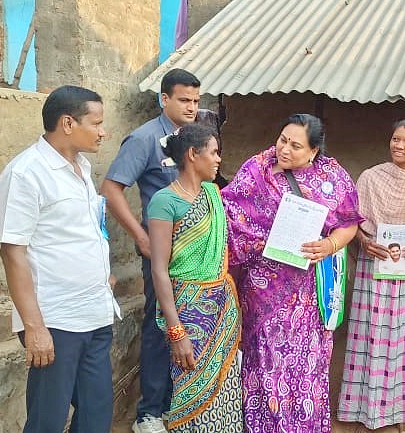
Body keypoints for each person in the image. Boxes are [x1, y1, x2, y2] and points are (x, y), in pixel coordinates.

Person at [221, 114, 362, 432]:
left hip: (309, 294)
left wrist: (328, 245)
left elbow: (349, 222)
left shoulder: (331, 177)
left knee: (305, 365)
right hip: (262, 290)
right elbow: (230, 215)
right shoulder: (256, 170)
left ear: (314, 151)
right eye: (282, 139)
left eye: (296, 145)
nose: (284, 149)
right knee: (265, 359)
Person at [0, 86, 114, 433]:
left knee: (97, 414)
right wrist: (34, 327)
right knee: (47, 419)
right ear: (67, 123)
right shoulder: (26, 173)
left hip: (95, 313)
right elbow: (12, 250)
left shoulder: (81, 166)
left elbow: (86, 230)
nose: (102, 131)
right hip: (56, 320)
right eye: (96, 123)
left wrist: (102, 273)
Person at [100, 68, 201, 433]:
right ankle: (149, 412)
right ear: (164, 99)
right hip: (162, 252)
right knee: (161, 327)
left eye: (196, 100)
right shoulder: (144, 139)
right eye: (184, 100)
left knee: (189, 325)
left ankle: (181, 403)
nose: (191, 107)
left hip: (196, 257)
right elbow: (111, 189)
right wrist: (142, 239)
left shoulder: (195, 138)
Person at [338, 119, 405, 433]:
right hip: (377, 267)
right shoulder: (371, 178)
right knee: (372, 336)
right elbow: (354, 221)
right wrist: (363, 241)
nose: (399, 146)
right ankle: (367, 410)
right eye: (395, 139)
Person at [147, 124, 243, 432]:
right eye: (214, 152)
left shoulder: (213, 194)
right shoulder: (165, 201)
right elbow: (159, 270)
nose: (218, 159)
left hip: (221, 308)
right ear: (192, 154)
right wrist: (176, 331)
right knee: (190, 389)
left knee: (225, 388)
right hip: (188, 310)